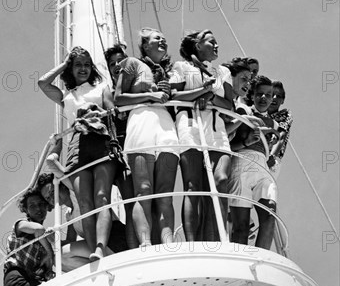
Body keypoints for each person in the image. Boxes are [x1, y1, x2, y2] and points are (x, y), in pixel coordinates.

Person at [170, 32, 251, 242]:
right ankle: (192, 242)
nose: (216, 44)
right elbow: (174, 96)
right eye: (211, 41)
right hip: (190, 126)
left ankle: (216, 237)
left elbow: (229, 105)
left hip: (217, 130)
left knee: (220, 180)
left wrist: (210, 96)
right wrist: (201, 91)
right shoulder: (180, 67)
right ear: (197, 45)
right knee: (193, 185)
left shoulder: (221, 71)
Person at [38, 46, 118, 261]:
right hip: (76, 144)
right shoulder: (66, 96)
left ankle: (100, 247)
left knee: (101, 197)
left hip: (99, 140)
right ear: (71, 69)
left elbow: (113, 112)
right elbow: (42, 83)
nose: (82, 68)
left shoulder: (102, 88)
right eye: (77, 65)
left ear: (92, 68)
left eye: (86, 64)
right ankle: (95, 251)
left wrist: (96, 113)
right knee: (84, 202)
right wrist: (65, 63)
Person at [114, 28, 179, 246]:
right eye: (156, 38)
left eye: (164, 38)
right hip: (141, 120)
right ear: (144, 45)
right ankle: (145, 242)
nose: (162, 40)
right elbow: (119, 98)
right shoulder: (132, 63)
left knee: (165, 192)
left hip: (166, 126)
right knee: (143, 190)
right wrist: (151, 94)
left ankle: (168, 240)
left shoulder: (170, 71)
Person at [228, 76, 279, 250]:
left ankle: (261, 257)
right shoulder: (242, 110)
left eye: (268, 95)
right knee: (241, 225)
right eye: (259, 94)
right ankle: (238, 263)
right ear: (252, 95)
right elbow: (228, 144)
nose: (264, 98)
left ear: (273, 98)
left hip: (262, 166)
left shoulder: (275, 123)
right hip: (242, 161)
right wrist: (247, 141)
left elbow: (277, 141)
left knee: (270, 212)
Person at [104, 44, 138, 249]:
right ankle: (137, 250)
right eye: (112, 64)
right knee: (132, 202)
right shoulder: (107, 94)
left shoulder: (140, 86)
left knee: (150, 201)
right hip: (123, 154)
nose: (117, 66)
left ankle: (153, 246)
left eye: (120, 61)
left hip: (143, 146)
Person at [267, 80, 293, 179]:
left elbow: (281, 136)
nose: (274, 98)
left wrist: (272, 156)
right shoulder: (256, 112)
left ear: (282, 101)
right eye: (272, 94)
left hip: (271, 157)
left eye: (278, 96)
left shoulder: (284, 114)